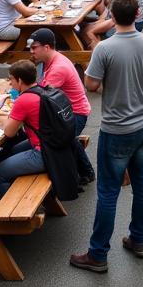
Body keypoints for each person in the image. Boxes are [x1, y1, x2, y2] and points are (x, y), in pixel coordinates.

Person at [71, 0, 143, 274]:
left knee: (108, 192)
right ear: (136, 16)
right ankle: (138, 240)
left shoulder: (104, 49)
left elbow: (92, 85)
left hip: (117, 129)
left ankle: (98, 254)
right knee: (142, 184)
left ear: (111, 18)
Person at [29, 28, 94, 184]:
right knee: (68, 138)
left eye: (34, 47)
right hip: (66, 110)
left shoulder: (58, 68)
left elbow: (40, 97)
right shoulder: (52, 59)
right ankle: (84, 171)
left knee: (61, 138)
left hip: (74, 113)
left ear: (46, 47)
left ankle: (82, 173)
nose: (31, 51)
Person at [0, 61, 48, 207]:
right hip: (54, 145)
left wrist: (13, 111)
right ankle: (12, 198)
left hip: (43, 153)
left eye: (11, 79)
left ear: (19, 80)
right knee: (12, 151)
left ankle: (4, 214)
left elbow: (9, 132)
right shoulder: (43, 89)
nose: (9, 83)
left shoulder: (24, 99)